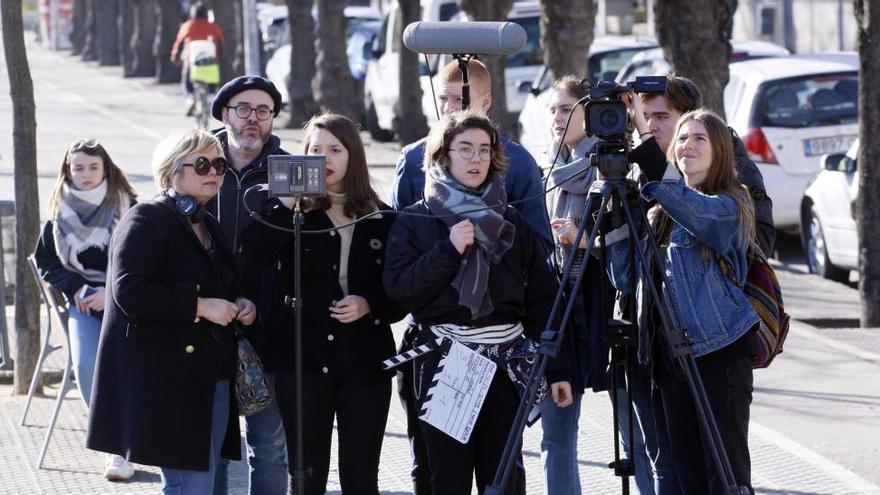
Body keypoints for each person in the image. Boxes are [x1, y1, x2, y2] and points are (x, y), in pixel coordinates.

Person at [390, 58, 552, 494]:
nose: (476, 159)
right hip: (446, 361)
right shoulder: (417, 219)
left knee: (504, 478)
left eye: (484, 150)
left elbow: (542, 296)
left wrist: (559, 370)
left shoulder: (512, 221)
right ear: (443, 155)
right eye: (465, 149)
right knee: (448, 478)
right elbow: (401, 291)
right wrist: (448, 250)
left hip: (505, 362)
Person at [85, 129, 257, 494]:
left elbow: (222, 285)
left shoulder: (207, 223)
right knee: (189, 487)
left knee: (212, 485)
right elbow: (129, 291)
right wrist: (200, 306)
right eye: (201, 164)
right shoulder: (146, 218)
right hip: (169, 382)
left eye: (219, 165)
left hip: (212, 376)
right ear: (170, 170)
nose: (213, 172)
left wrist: (240, 303)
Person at [242, 113, 405, 494]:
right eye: (315, 150)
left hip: (365, 359)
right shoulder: (287, 213)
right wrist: (284, 204)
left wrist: (369, 304)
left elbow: (401, 289)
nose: (325, 158)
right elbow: (254, 260)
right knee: (306, 473)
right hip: (303, 358)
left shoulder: (380, 215)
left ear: (354, 156)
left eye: (335, 149)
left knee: (361, 474)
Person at [606, 109, 759, 494]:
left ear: (719, 152)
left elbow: (691, 208)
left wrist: (644, 139)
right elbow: (624, 279)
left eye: (699, 139)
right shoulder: (660, 210)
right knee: (687, 476)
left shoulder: (730, 205)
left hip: (718, 353)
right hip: (668, 359)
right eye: (683, 138)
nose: (687, 145)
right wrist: (617, 215)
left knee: (725, 477)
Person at [33, 138, 137, 481]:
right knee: (87, 364)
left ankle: (145, 434)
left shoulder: (127, 205)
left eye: (93, 167)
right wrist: (78, 288)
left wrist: (110, 291)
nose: (86, 174)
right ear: (67, 170)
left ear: (105, 168)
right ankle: (116, 447)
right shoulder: (57, 210)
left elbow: (141, 260)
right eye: (78, 167)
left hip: (127, 302)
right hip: (83, 305)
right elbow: (46, 261)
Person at [208, 75, 290, 494]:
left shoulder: (290, 170)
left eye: (263, 110)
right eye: (243, 109)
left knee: (270, 448)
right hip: (208, 329)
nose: (252, 119)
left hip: (269, 328)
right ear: (225, 113)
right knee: (214, 448)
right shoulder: (198, 164)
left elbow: (304, 250)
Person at [639, 74, 775, 255]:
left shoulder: (737, 168)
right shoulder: (644, 169)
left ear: (688, 119)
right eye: (643, 117)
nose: (649, 126)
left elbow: (759, 244)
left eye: (661, 117)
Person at [171, 2, 224, 115]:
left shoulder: (187, 26)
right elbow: (220, 43)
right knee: (213, 83)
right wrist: (218, 58)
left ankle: (190, 99)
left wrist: (175, 57)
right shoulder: (213, 26)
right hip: (211, 64)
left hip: (192, 63)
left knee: (186, 80)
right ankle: (211, 98)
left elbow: (179, 44)